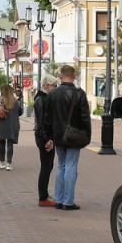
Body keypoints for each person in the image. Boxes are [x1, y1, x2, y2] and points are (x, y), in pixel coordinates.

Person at [42, 64, 92, 211]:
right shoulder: (79, 94)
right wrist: (87, 135)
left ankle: (58, 199)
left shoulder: (52, 94)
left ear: (60, 75)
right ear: (74, 75)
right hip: (74, 135)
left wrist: (48, 137)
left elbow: (47, 119)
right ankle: (68, 201)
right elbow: (85, 117)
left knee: (61, 166)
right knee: (71, 166)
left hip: (58, 136)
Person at [32, 74, 59, 206]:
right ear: (48, 86)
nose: (56, 88)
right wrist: (47, 139)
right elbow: (42, 123)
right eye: (55, 85)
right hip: (44, 137)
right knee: (45, 167)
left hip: (45, 136)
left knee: (48, 166)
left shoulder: (43, 99)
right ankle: (43, 197)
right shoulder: (41, 100)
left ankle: (44, 195)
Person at [0, 82, 23, 170]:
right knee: (10, 144)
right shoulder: (15, 101)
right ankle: (9, 163)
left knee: (2, 143)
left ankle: (1, 162)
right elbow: (20, 112)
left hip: (2, 124)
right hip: (12, 124)